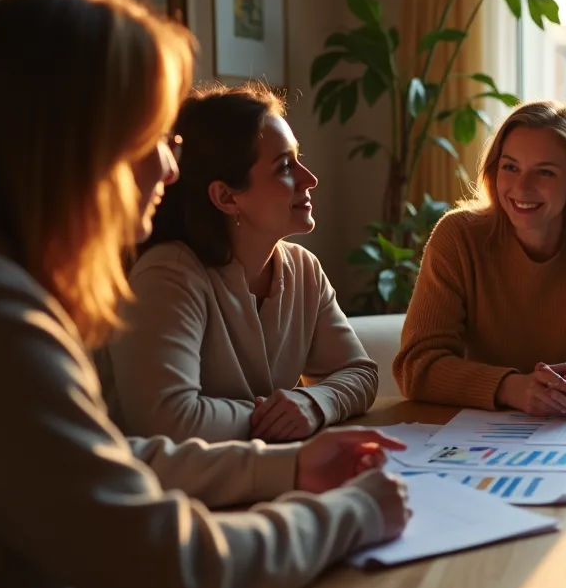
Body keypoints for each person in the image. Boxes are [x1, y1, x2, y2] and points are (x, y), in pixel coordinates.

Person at [0, 0, 408, 588]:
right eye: (150, 135)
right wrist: (352, 513)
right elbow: (178, 573)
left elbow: (102, 462)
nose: (171, 168)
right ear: (74, 144)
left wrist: (289, 462)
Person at [100, 83, 379, 443]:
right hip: (152, 489)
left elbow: (359, 372)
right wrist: (274, 418)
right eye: (284, 167)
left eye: (299, 159)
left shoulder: (303, 269)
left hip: (249, 480)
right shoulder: (167, 274)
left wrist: (313, 403)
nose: (309, 179)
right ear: (226, 196)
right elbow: (167, 422)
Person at [393, 100, 566, 416]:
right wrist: (511, 387)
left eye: (544, 172)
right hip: (476, 437)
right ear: (494, 170)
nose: (521, 187)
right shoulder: (458, 237)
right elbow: (416, 365)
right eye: (510, 167)